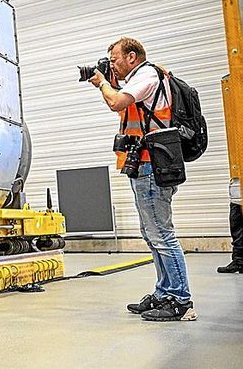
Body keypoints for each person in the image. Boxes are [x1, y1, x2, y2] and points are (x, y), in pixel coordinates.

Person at [88, 36, 196, 322]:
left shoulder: (147, 75)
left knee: (162, 234)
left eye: (115, 59)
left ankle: (181, 301)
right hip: (143, 164)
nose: (112, 65)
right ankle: (164, 292)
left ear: (132, 57)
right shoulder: (138, 78)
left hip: (152, 165)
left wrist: (102, 83)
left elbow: (116, 102)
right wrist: (105, 82)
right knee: (152, 235)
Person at [218, 178, 243, 273]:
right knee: (236, 225)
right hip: (236, 191)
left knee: (237, 225)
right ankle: (239, 260)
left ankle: (239, 260)